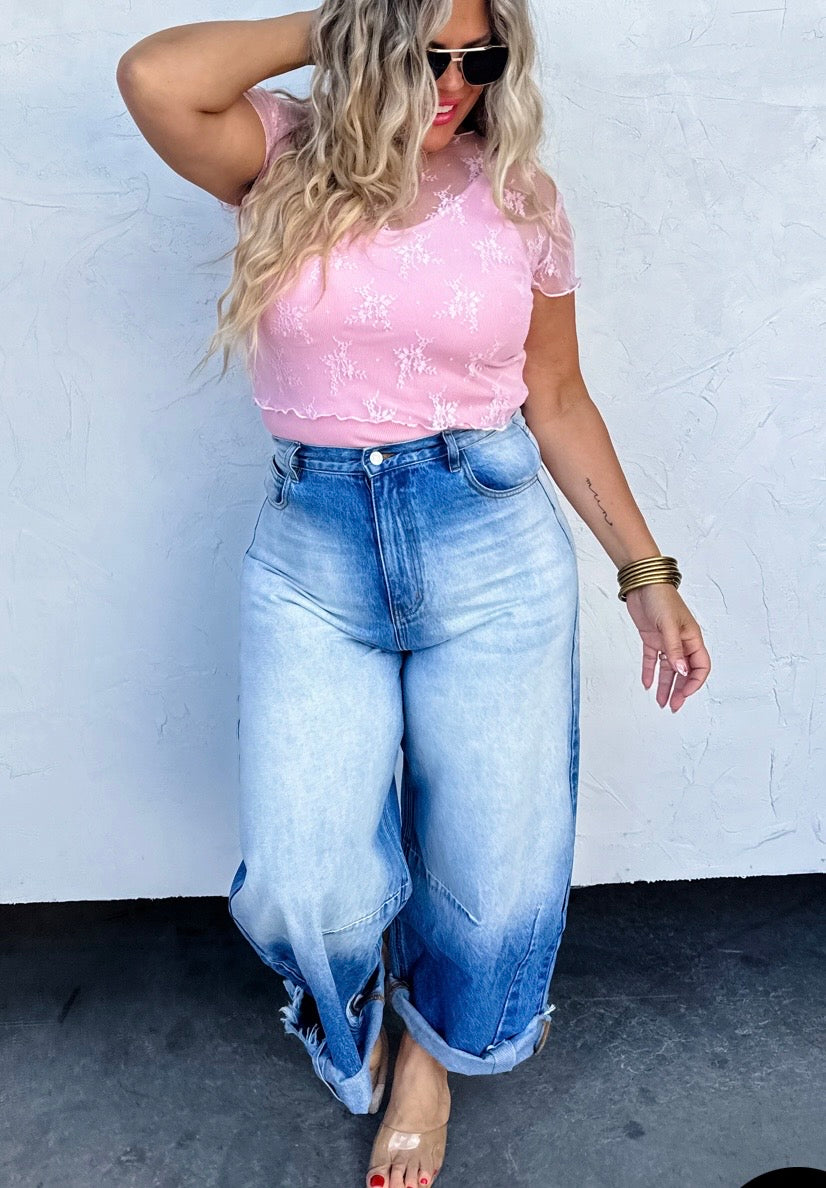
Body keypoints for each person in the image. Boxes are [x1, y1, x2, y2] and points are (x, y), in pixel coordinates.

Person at [117, 1, 712, 1183]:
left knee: (492, 882)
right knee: (307, 885)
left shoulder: (520, 199)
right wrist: (352, 19)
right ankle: (373, 1016)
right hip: (314, 556)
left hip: (490, 545)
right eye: (421, 52)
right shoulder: (279, 154)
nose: (449, 81)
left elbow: (556, 399)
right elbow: (153, 76)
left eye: (474, 57)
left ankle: (431, 1053)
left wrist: (645, 575)